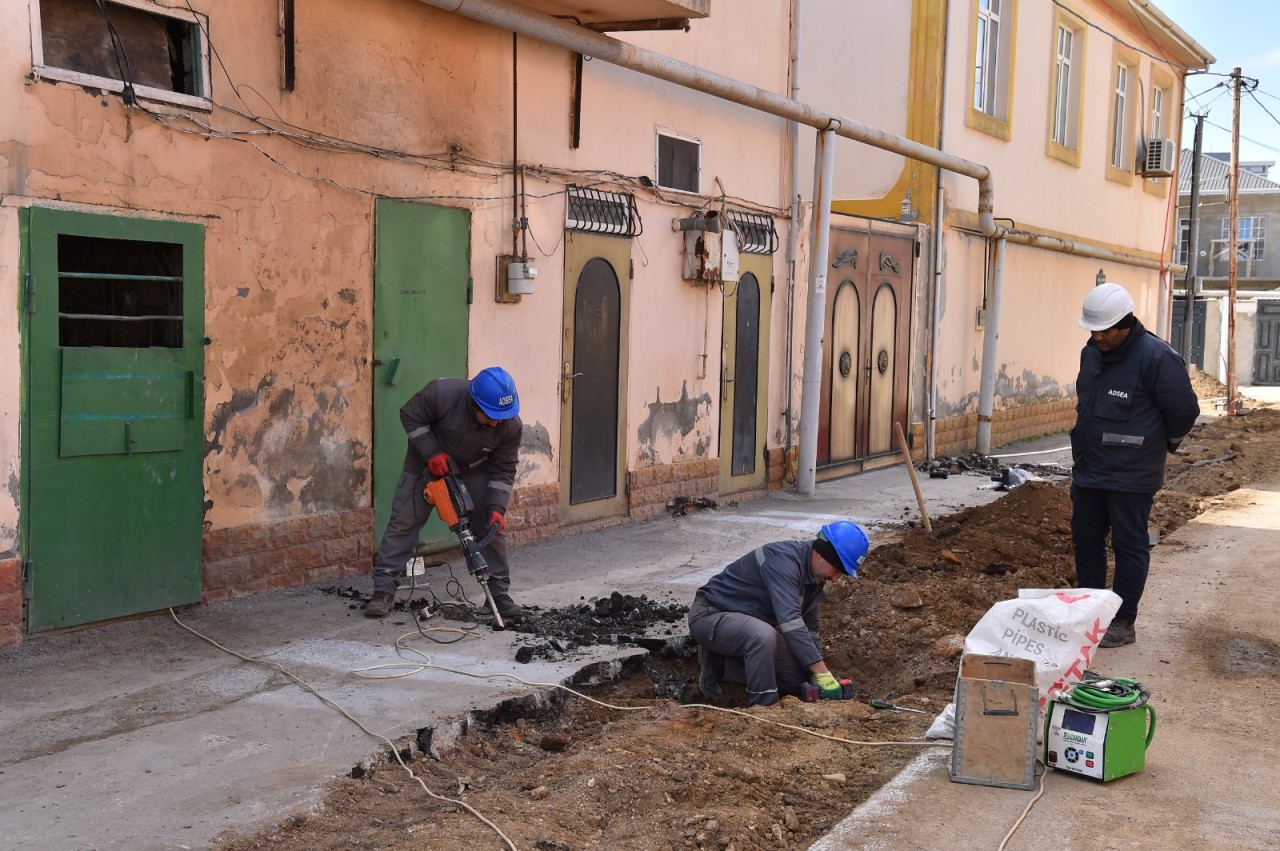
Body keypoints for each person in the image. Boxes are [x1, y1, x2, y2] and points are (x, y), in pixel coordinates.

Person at [1071, 283, 1199, 648]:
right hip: (1090, 468)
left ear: (1126, 324)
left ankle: (1123, 622)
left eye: (1105, 330)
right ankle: (1089, 612)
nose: (1097, 337)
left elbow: (1184, 410)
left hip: (1131, 473)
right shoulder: (1091, 352)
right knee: (1086, 539)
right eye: (1092, 330)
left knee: (1129, 545)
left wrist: (1163, 444)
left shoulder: (1156, 357)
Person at [366, 366, 525, 621]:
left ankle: (498, 595)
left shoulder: (510, 426)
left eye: (502, 416)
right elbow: (410, 415)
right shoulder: (442, 393)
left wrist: (497, 507)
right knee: (403, 523)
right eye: (490, 415)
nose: (496, 422)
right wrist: (431, 452)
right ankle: (383, 590)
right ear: (474, 404)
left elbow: (504, 469)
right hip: (424, 465)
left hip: (473, 469)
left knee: (490, 527)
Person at [687, 521, 870, 706]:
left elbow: (810, 630)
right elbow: (790, 620)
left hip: (745, 626)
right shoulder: (783, 561)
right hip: (711, 616)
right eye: (837, 570)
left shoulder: (814, 579)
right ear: (823, 554)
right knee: (762, 636)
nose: (836, 579)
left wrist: (817, 675)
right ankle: (764, 707)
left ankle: (724, 664)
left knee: (799, 680)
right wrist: (822, 672)